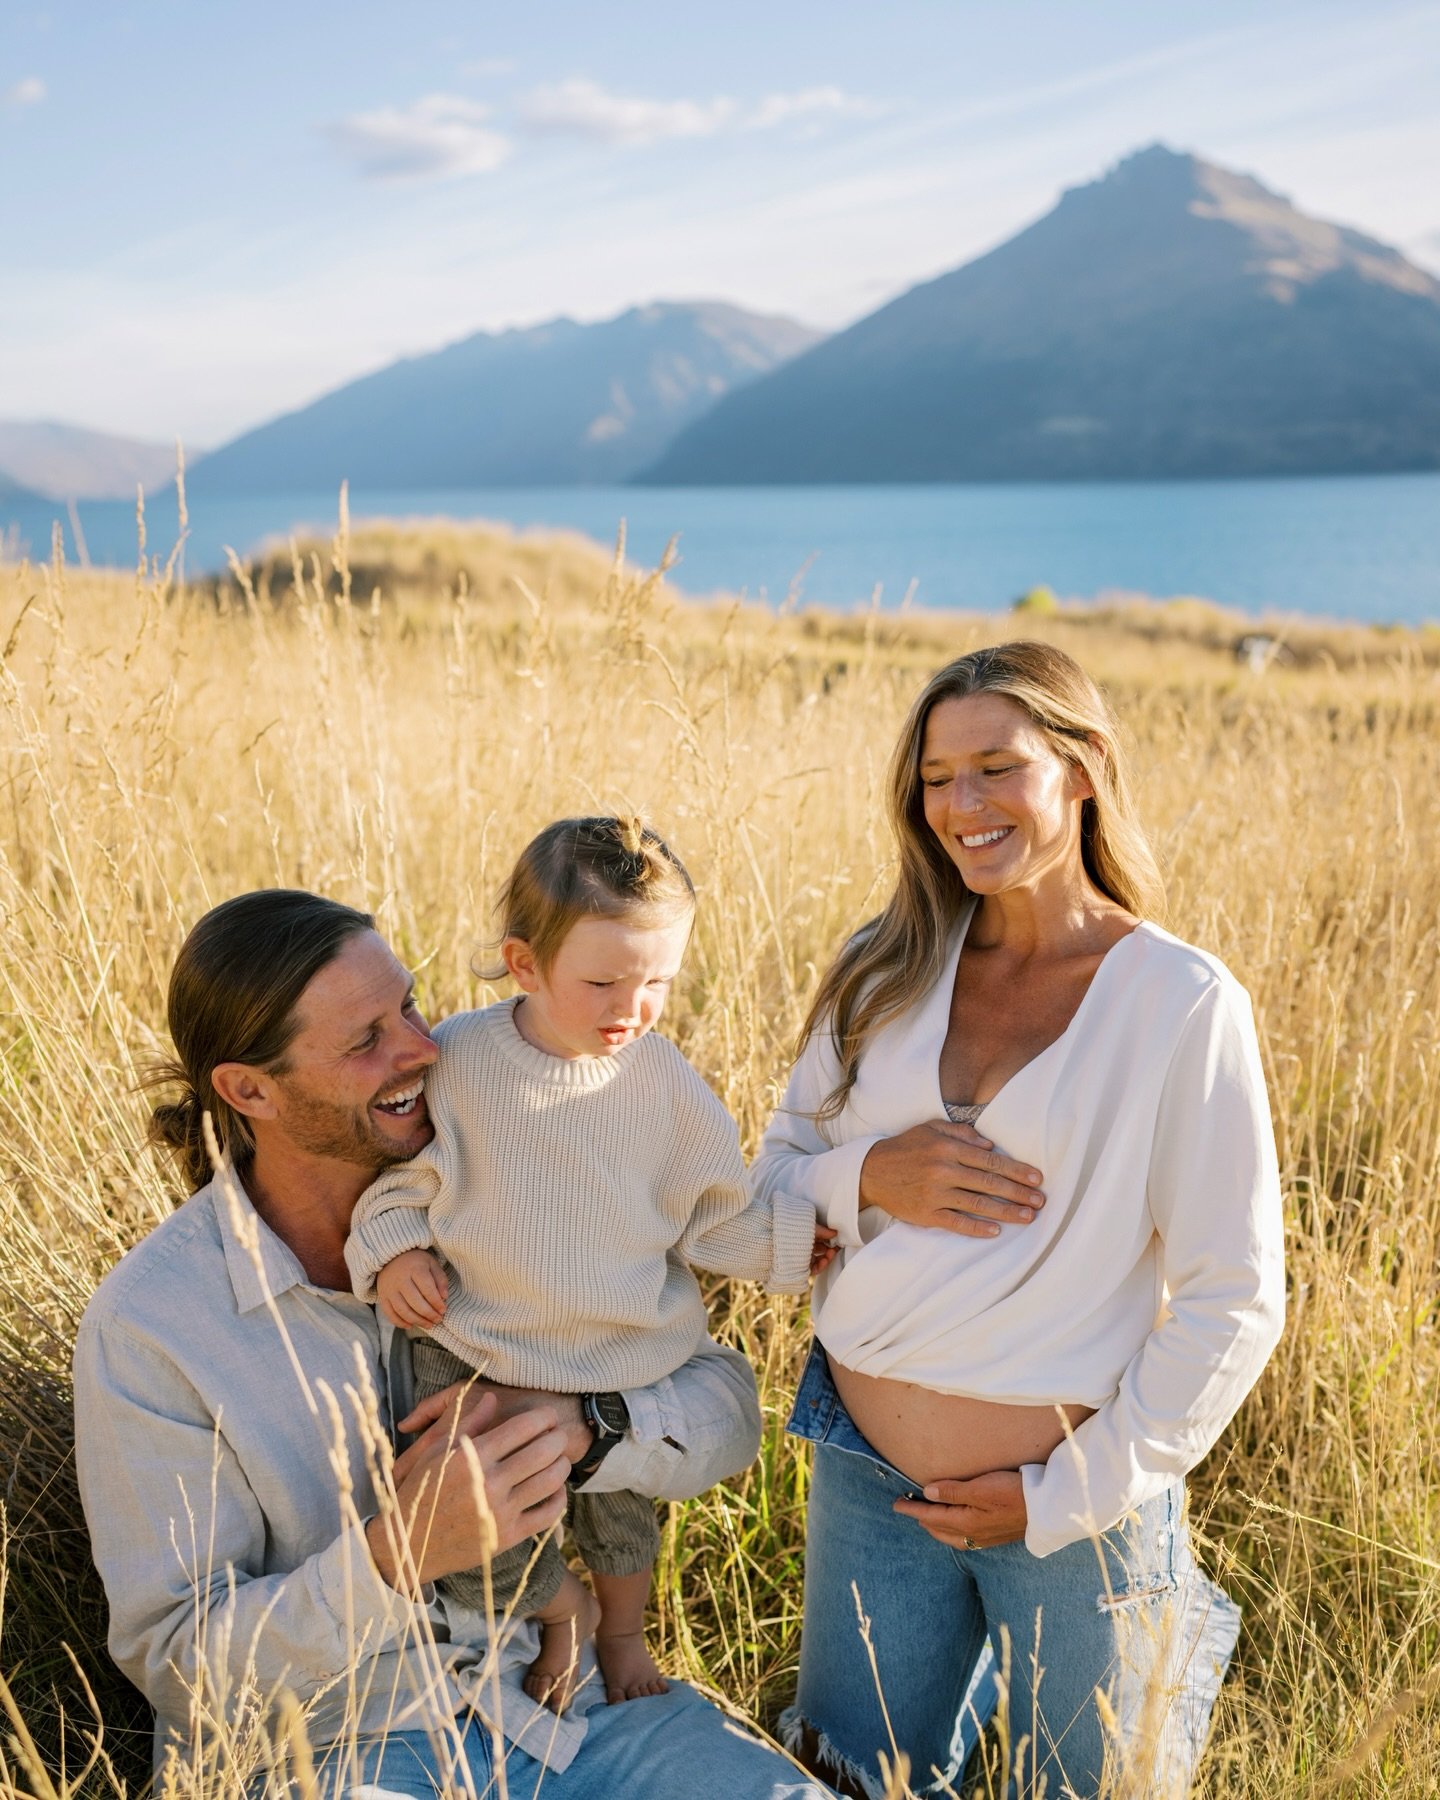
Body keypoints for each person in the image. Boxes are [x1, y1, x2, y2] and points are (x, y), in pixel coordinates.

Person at [72, 888, 835, 1799]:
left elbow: (726, 1406)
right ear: (249, 1089)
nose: (422, 1050)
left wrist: (589, 1424)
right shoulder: (154, 1327)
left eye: (410, 1006)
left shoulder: (529, 1171)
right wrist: (394, 1558)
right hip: (334, 1750)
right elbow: (178, 1666)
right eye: (365, 1040)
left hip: (571, 1713)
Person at [749, 642, 1286, 1800]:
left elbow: (1235, 1300)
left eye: (997, 766)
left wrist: (1063, 1495)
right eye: (938, 778)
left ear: (1084, 766)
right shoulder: (881, 967)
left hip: (1078, 1497)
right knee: (847, 1777)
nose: (961, 806)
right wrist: (870, 1177)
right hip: (864, 1469)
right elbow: (770, 1188)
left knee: (1092, 1792)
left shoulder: (1180, 1003)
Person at [343, 816, 819, 1712]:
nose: (631, 1010)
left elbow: (715, 1214)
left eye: (658, 984)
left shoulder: (663, 1084)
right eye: (602, 982)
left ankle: (621, 1629)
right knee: (478, 1532)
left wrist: (795, 1245)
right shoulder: (465, 1062)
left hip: (620, 1354)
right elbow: (401, 1182)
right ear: (524, 964)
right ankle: (559, 1610)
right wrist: (395, 1249)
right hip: (476, 1348)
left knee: (623, 1524)